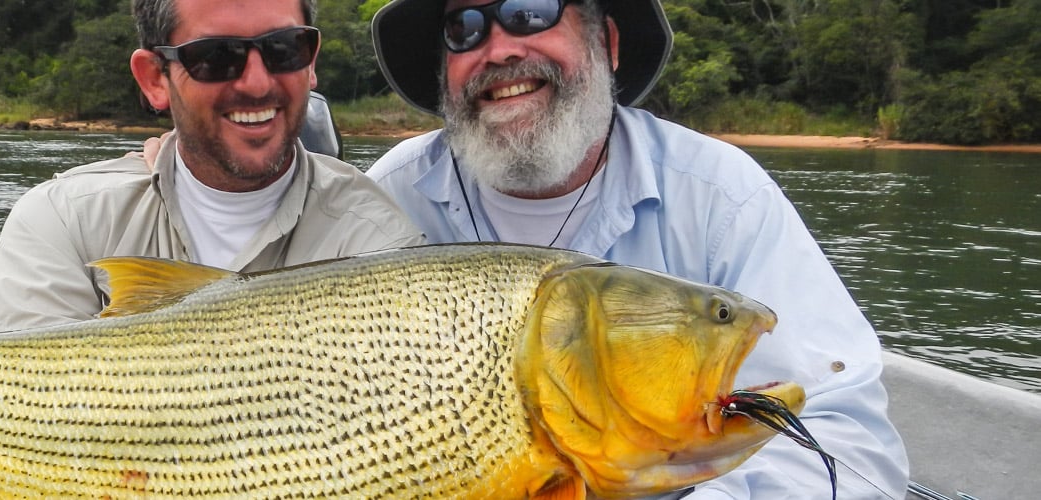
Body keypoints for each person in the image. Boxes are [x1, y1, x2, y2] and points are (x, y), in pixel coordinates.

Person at [0, 0, 424, 495]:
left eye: (284, 49)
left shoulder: (375, 234)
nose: (256, 81)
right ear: (155, 79)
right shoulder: (64, 216)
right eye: (215, 58)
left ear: (312, 62)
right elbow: (14, 415)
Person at [363, 0, 908, 497]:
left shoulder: (721, 197)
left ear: (609, 44)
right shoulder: (391, 196)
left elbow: (848, 436)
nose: (500, 49)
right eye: (464, 28)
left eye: (532, 11)